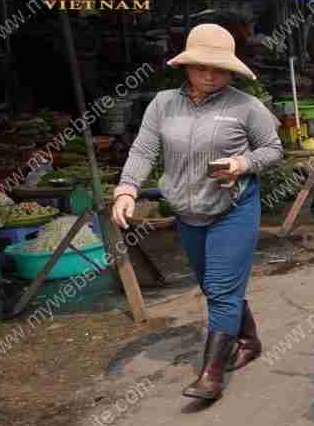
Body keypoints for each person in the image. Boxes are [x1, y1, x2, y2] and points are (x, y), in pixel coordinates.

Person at [112, 24, 282, 401]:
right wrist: (127, 189)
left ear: (231, 70)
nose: (209, 74)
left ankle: (211, 374)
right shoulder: (162, 104)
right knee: (214, 286)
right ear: (186, 66)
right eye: (201, 66)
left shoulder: (245, 106)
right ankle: (249, 339)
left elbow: (272, 150)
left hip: (233, 209)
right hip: (187, 211)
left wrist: (241, 164)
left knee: (220, 289)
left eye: (218, 68)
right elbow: (143, 151)